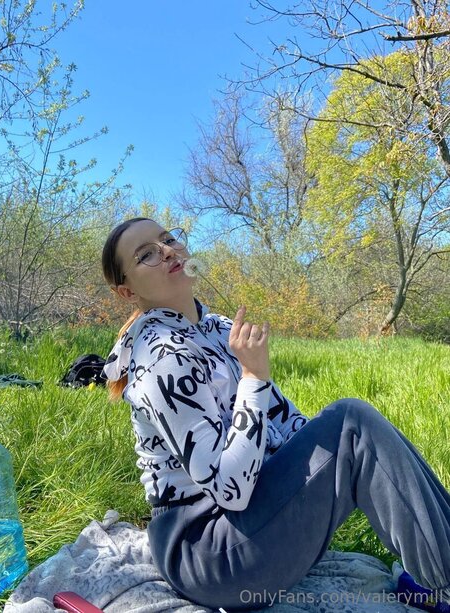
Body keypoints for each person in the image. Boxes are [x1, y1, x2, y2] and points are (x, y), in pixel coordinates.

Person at [101, 216, 450, 611]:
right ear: (127, 292)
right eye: (146, 254)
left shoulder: (219, 329)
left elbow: (288, 425)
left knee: (350, 426)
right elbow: (229, 491)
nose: (167, 251)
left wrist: (328, 463)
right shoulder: (159, 357)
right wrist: (253, 377)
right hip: (208, 553)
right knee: (352, 425)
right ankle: (445, 582)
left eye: (168, 239)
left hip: (252, 523)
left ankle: (439, 565)